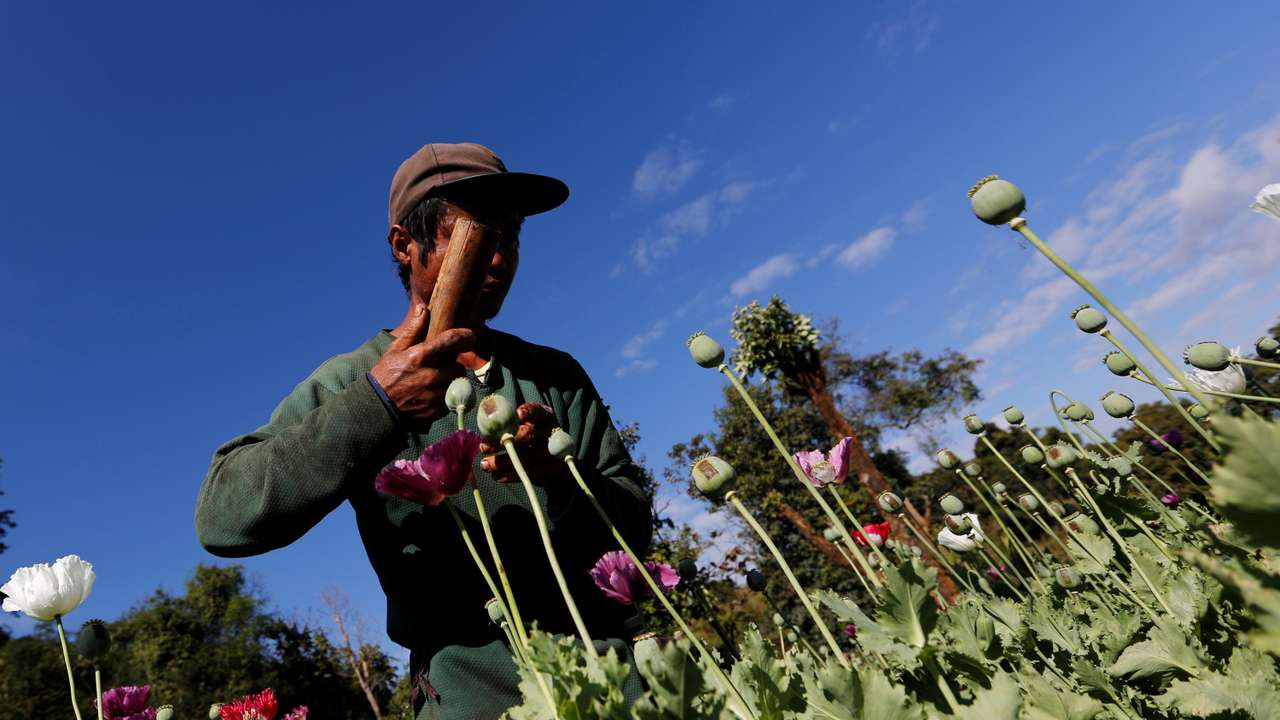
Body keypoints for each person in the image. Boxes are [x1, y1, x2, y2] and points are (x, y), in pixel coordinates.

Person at [195, 142, 654, 719]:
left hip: (609, 679)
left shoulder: (554, 376)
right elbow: (223, 515)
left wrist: (559, 478)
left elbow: (635, 529)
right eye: (476, 238)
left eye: (509, 238)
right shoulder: (352, 381)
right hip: (467, 694)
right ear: (405, 246)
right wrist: (378, 406)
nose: (498, 260)